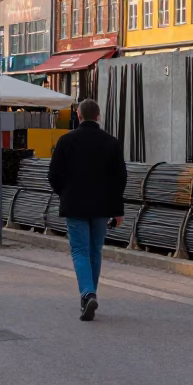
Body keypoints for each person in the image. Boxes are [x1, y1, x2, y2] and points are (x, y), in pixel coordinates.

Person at [49, 98, 126, 322]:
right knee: (95, 251)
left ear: (79, 116)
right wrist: (118, 209)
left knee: (80, 251)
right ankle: (89, 294)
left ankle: (87, 294)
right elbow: (120, 179)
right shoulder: (111, 143)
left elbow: (53, 175)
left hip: (75, 205)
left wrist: (65, 193)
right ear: (98, 116)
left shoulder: (66, 141)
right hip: (102, 207)